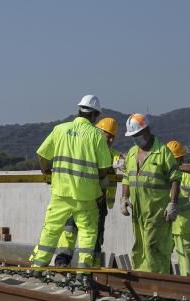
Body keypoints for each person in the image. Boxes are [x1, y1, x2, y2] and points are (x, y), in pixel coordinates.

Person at [29, 95, 114, 272]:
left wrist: (47, 172)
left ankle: (38, 265)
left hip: (60, 192)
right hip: (86, 195)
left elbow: (42, 155)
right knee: (88, 231)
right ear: (95, 115)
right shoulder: (97, 135)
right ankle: (84, 270)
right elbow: (104, 168)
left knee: (51, 229)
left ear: (79, 110)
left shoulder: (60, 129)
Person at [55, 117, 123, 267]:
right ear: (98, 132)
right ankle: (62, 260)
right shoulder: (86, 148)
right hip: (79, 196)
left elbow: (120, 160)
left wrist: (120, 163)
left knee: (95, 235)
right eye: (108, 135)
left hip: (99, 201)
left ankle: (92, 266)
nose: (111, 140)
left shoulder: (113, 153)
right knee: (70, 229)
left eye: (113, 137)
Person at [120, 114, 181, 273]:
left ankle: (158, 282)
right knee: (139, 247)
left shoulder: (162, 152)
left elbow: (175, 178)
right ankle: (143, 281)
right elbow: (127, 177)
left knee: (153, 247)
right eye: (133, 137)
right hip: (138, 212)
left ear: (147, 130)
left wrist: (173, 203)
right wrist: (124, 198)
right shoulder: (132, 153)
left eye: (137, 135)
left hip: (157, 212)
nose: (135, 139)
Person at [167, 140, 190, 276]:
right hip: (169, 222)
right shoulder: (166, 173)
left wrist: (176, 167)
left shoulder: (188, 171)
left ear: (181, 158)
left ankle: (189, 294)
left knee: (187, 263)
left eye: (175, 159)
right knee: (162, 257)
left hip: (186, 226)